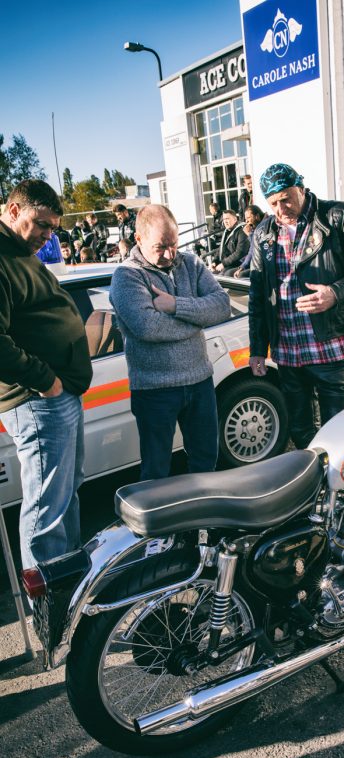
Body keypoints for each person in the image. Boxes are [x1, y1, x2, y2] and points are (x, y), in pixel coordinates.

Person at [249, 162, 344, 449]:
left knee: (341, 430)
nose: (280, 208)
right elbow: (258, 296)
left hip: (331, 345)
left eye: (286, 198)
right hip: (287, 350)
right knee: (300, 431)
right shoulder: (263, 233)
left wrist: (335, 293)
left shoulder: (341, 216)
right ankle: (318, 489)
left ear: (301, 187)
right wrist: (258, 349)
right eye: (273, 203)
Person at [0, 179, 92, 569]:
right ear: (15, 209)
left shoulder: (19, 250)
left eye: (53, 228)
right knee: (46, 509)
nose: (47, 235)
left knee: (65, 493)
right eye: (41, 224)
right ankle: (48, 605)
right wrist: (46, 381)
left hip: (55, 397)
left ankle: (66, 581)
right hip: (37, 401)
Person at [109, 204, 230, 480]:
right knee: (156, 471)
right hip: (154, 389)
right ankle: (163, 523)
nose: (169, 254)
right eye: (160, 247)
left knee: (205, 460)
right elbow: (147, 327)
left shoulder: (191, 263)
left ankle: (202, 520)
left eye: (174, 245)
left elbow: (222, 305)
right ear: (139, 239)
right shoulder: (127, 276)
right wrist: (197, 319)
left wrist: (175, 305)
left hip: (199, 382)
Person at [209, 209, 249, 275]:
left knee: (224, 274)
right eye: (224, 219)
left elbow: (240, 252)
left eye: (227, 219)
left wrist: (224, 264)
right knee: (211, 273)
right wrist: (214, 261)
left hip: (239, 263)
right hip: (228, 262)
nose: (225, 221)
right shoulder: (226, 231)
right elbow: (221, 248)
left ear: (235, 219)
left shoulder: (242, 231)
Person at [234, 205, 265, 278]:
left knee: (240, 275)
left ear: (257, 216)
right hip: (254, 262)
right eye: (245, 219)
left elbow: (256, 248)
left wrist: (250, 234)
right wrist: (242, 267)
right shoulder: (255, 227)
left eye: (248, 218)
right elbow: (251, 251)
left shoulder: (265, 227)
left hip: (263, 265)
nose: (246, 221)